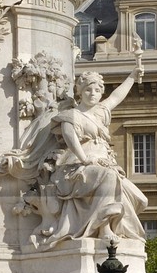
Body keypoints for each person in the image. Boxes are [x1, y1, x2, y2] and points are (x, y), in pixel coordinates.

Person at [23, 56, 149, 248]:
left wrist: (132, 75)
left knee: (141, 199)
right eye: (88, 89)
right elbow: (70, 139)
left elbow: (116, 96)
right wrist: (87, 160)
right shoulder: (72, 115)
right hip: (74, 168)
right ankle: (104, 227)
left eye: (97, 90)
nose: (93, 93)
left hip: (103, 166)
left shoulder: (100, 112)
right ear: (80, 92)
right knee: (107, 177)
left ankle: (113, 227)